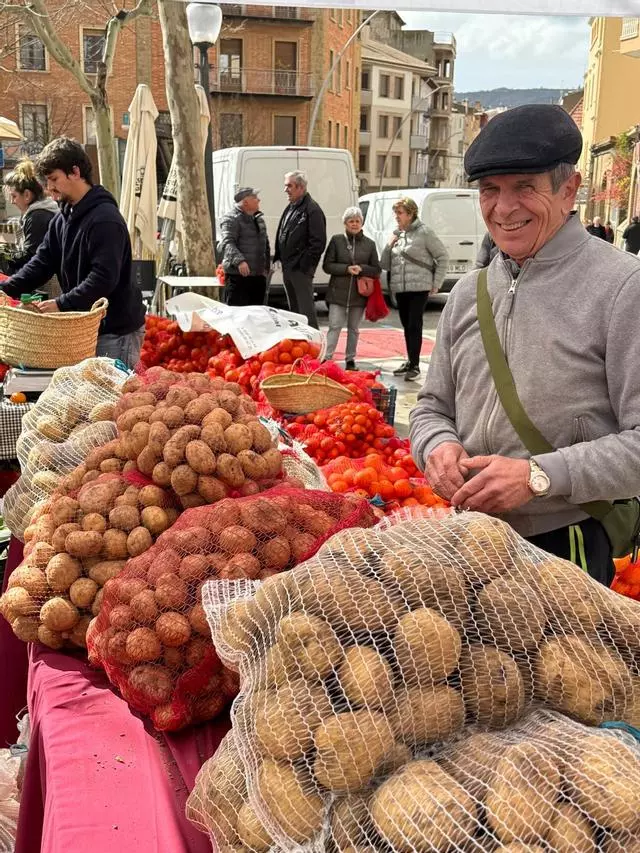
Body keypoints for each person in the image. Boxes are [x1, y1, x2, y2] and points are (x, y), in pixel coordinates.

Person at [410, 103, 640, 585]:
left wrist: (539, 476)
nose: (504, 208)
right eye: (490, 190)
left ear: (569, 189)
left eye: (524, 187)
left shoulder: (623, 288)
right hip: (469, 536)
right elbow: (431, 406)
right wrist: (437, 445)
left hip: (566, 544)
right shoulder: (467, 293)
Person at [2, 137, 145, 368]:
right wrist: (6, 289)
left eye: (54, 179)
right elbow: (41, 263)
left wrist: (61, 304)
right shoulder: (61, 219)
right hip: (84, 329)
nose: (49, 188)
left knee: (110, 391)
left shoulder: (105, 219)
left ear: (75, 172)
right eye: (47, 181)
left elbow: (103, 279)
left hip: (114, 331)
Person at [380, 197, 448, 382]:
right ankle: (410, 361)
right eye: (395, 213)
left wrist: (436, 282)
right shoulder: (397, 235)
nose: (396, 216)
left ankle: (415, 365)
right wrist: (389, 245)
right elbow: (384, 264)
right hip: (400, 288)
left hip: (419, 287)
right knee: (406, 326)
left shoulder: (424, 233)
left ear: (410, 214)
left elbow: (442, 256)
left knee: (414, 325)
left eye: (400, 213)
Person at [322, 206, 381, 371]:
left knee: (354, 329)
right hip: (337, 293)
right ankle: (326, 358)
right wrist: (346, 269)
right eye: (351, 221)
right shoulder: (336, 240)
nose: (354, 224)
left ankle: (350, 360)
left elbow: (376, 270)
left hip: (359, 294)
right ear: (345, 223)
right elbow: (327, 266)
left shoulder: (370, 244)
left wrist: (362, 268)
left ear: (362, 223)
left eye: (357, 221)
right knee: (334, 326)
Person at [273, 170, 326, 329]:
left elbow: (318, 243)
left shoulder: (312, 210)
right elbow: (282, 232)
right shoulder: (291, 207)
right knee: (295, 313)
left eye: (289, 186)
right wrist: (278, 257)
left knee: (306, 313)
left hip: (300, 270)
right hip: (289, 268)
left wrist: (304, 266)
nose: (285, 190)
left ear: (301, 187)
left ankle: (312, 340)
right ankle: (299, 340)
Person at [2, 159, 59, 280]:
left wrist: (5, 255)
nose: (12, 201)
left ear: (27, 195)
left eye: (14, 196)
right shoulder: (41, 212)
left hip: (45, 282)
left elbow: (30, 256)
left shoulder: (37, 217)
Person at [218, 187, 270, 307]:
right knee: (237, 313)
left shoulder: (259, 220)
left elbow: (265, 245)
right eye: (255, 198)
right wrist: (240, 261)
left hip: (258, 277)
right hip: (238, 277)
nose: (259, 200)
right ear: (245, 202)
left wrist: (266, 267)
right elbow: (227, 242)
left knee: (256, 313)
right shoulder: (231, 219)